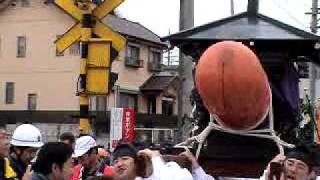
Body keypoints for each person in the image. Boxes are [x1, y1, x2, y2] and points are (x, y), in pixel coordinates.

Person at [112, 142, 193, 180]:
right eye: (115, 162)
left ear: (136, 163)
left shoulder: (171, 171)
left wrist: (155, 157)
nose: (119, 164)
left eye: (125, 159)